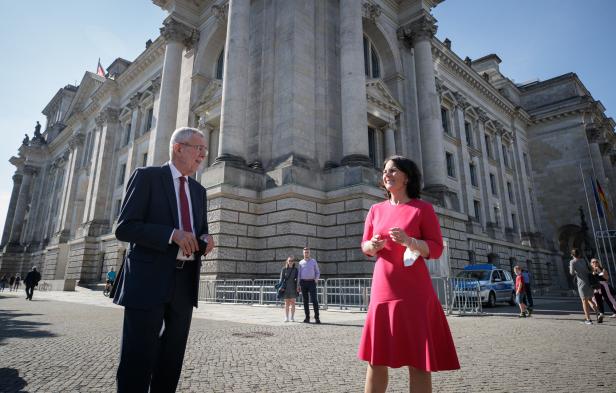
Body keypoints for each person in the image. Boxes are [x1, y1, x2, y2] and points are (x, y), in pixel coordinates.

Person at [112, 127, 214, 393]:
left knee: (171, 360)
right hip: (147, 281)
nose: (203, 155)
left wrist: (205, 240)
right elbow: (125, 228)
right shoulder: (147, 177)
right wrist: (171, 234)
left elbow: (198, 231)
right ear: (178, 147)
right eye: (198, 149)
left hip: (184, 282)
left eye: (205, 150)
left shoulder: (199, 191)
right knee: (138, 358)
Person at [359, 156, 459, 393]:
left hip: (415, 291)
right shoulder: (375, 210)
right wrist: (373, 245)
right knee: (376, 359)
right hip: (383, 288)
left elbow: (435, 249)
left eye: (393, 170)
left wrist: (410, 241)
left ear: (407, 176)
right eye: (385, 171)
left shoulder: (422, 209)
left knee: (418, 361)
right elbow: (364, 246)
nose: (387, 174)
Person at [569, 248, 596, 325]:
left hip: (582, 283)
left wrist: (573, 269)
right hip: (589, 282)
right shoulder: (583, 260)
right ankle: (599, 314)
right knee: (590, 300)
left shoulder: (572, 261)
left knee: (584, 301)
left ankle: (588, 319)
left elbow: (572, 273)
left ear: (572, 255)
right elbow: (589, 269)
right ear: (579, 254)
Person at [298, 247, 321, 324]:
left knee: (314, 300)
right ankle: (307, 317)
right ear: (303, 253)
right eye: (305, 252)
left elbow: (318, 272)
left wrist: (316, 279)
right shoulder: (300, 262)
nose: (306, 253)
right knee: (305, 301)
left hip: (312, 282)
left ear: (309, 253)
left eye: (307, 252)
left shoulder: (313, 261)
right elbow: (299, 274)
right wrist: (298, 284)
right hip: (303, 283)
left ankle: (317, 318)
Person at [279, 257, 299, 322]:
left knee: (293, 303)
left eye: (292, 261)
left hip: (293, 287)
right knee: (287, 303)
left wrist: (298, 286)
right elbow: (281, 279)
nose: (291, 262)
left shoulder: (295, 270)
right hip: (286, 288)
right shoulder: (284, 269)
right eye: (289, 260)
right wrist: (280, 287)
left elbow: (297, 279)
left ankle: (292, 317)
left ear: (293, 262)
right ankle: (286, 317)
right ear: (287, 261)